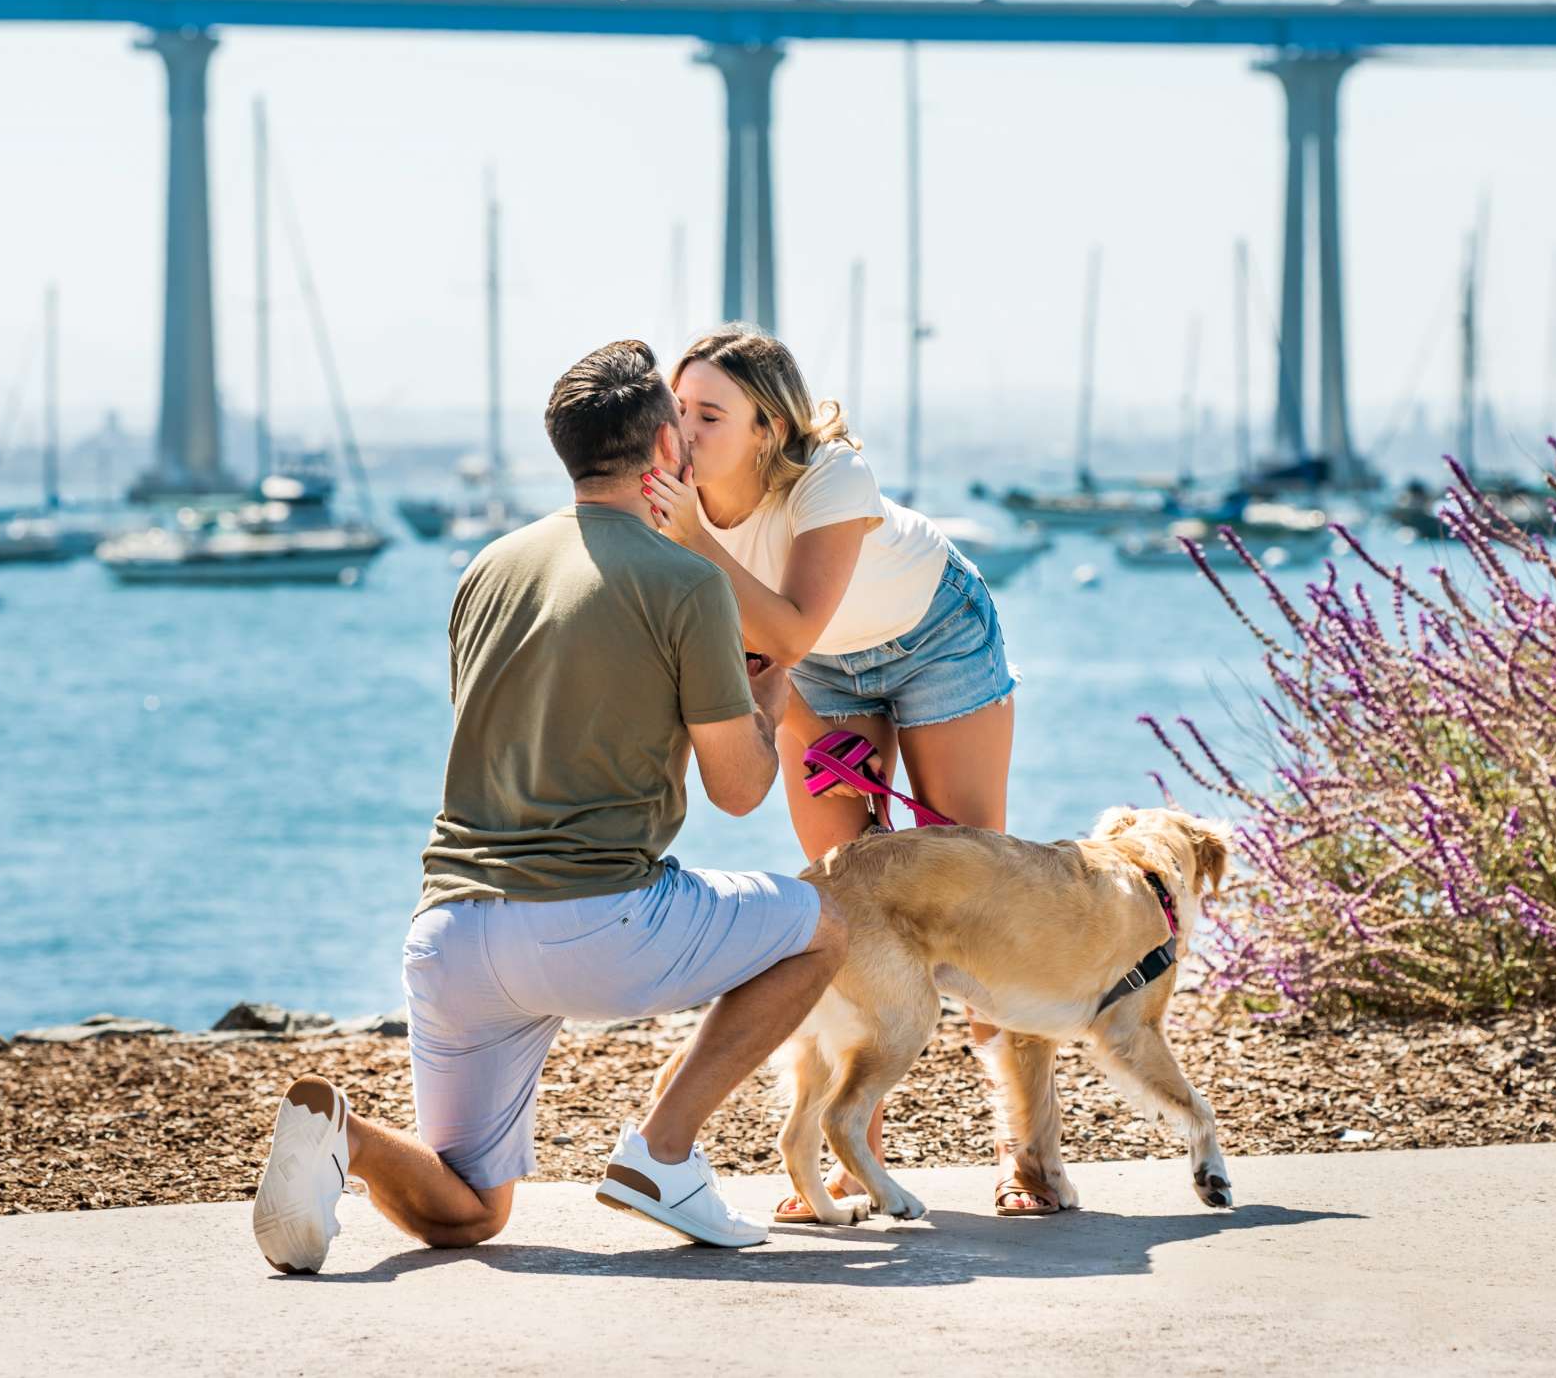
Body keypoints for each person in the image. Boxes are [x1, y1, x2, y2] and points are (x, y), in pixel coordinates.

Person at [251, 339, 847, 1269]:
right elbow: (740, 792)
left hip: (450, 937)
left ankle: (346, 1140)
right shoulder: (688, 581)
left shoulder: (485, 568)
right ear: (663, 448)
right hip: (594, 926)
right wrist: (770, 690)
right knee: (826, 929)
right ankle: (663, 1151)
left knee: (472, 1213)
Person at [641, 325, 1050, 1217]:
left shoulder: (831, 478)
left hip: (936, 636)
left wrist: (690, 539)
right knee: (843, 902)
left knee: (978, 897)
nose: (686, 429)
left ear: (768, 431)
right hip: (817, 673)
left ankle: (1029, 1156)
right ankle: (848, 1148)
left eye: (711, 413)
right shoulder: (671, 500)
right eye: (678, 409)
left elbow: (784, 622)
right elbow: (768, 651)